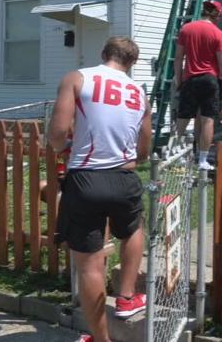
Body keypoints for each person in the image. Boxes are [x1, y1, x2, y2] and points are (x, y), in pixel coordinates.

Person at [49, 37, 152, 342]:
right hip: (125, 177)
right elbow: (144, 149)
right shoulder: (139, 93)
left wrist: (65, 146)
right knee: (133, 228)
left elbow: (57, 133)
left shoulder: (78, 78)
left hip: (87, 179)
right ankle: (127, 297)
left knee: (90, 266)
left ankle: (101, 339)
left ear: (104, 53)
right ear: (131, 63)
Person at [173, 0, 222, 170]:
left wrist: (179, 80)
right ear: (217, 15)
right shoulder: (218, 34)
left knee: (182, 119)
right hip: (209, 80)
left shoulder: (186, 29)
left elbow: (178, 58)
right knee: (207, 120)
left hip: (190, 79)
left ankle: (175, 154)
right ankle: (202, 160)